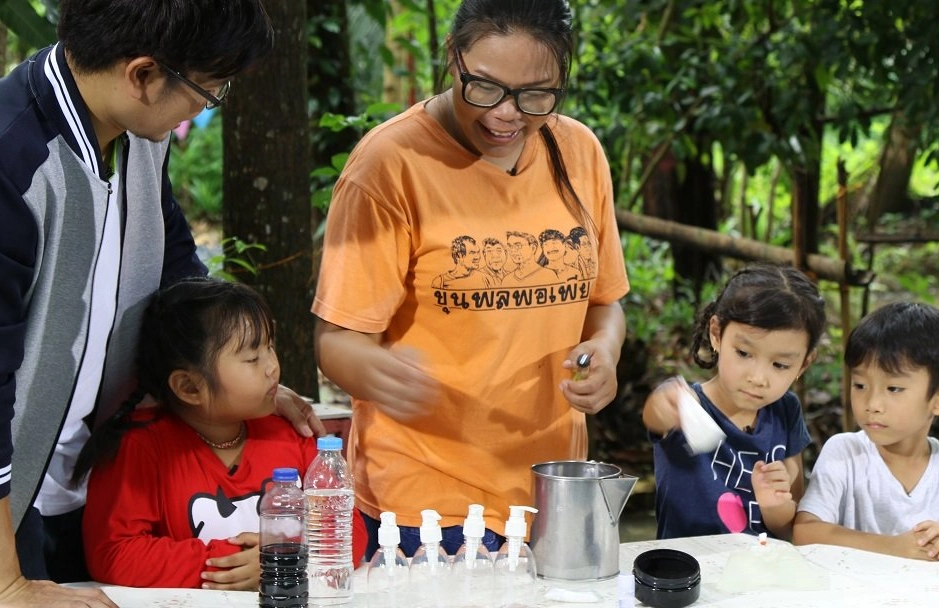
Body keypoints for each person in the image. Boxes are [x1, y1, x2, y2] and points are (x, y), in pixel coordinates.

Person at [0, 1, 323, 604]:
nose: (208, 104)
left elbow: (172, 267)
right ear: (141, 74)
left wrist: (237, 378)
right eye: (209, 89)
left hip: (86, 475)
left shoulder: (134, 129)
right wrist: (5, 585)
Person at [311, 0, 629, 559]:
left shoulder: (578, 152)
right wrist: (381, 372)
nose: (507, 113)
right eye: (484, 86)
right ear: (453, 58)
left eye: (536, 95)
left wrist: (604, 350)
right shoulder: (388, 166)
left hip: (551, 490)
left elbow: (604, 304)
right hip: (424, 506)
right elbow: (336, 342)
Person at [77, 278, 367, 588]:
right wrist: (230, 561)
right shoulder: (139, 447)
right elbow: (113, 553)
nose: (272, 366)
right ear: (189, 387)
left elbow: (349, 529)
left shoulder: (291, 433)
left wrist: (286, 560)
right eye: (252, 358)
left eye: (270, 346)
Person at [794, 302, 939, 561]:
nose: (872, 405)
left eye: (894, 389)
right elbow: (804, 533)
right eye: (860, 385)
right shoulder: (845, 453)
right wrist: (893, 547)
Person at [642, 264, 827, 540]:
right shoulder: (685, 404)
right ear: (716, 333)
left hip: (759, 571)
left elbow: (787, 528)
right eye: (743, 353)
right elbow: (655, 416)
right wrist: (662, 406)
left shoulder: (786, 410)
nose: (758, 378)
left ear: (804, 364)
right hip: (687, 570)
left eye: (780, 364)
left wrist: (774, 504)